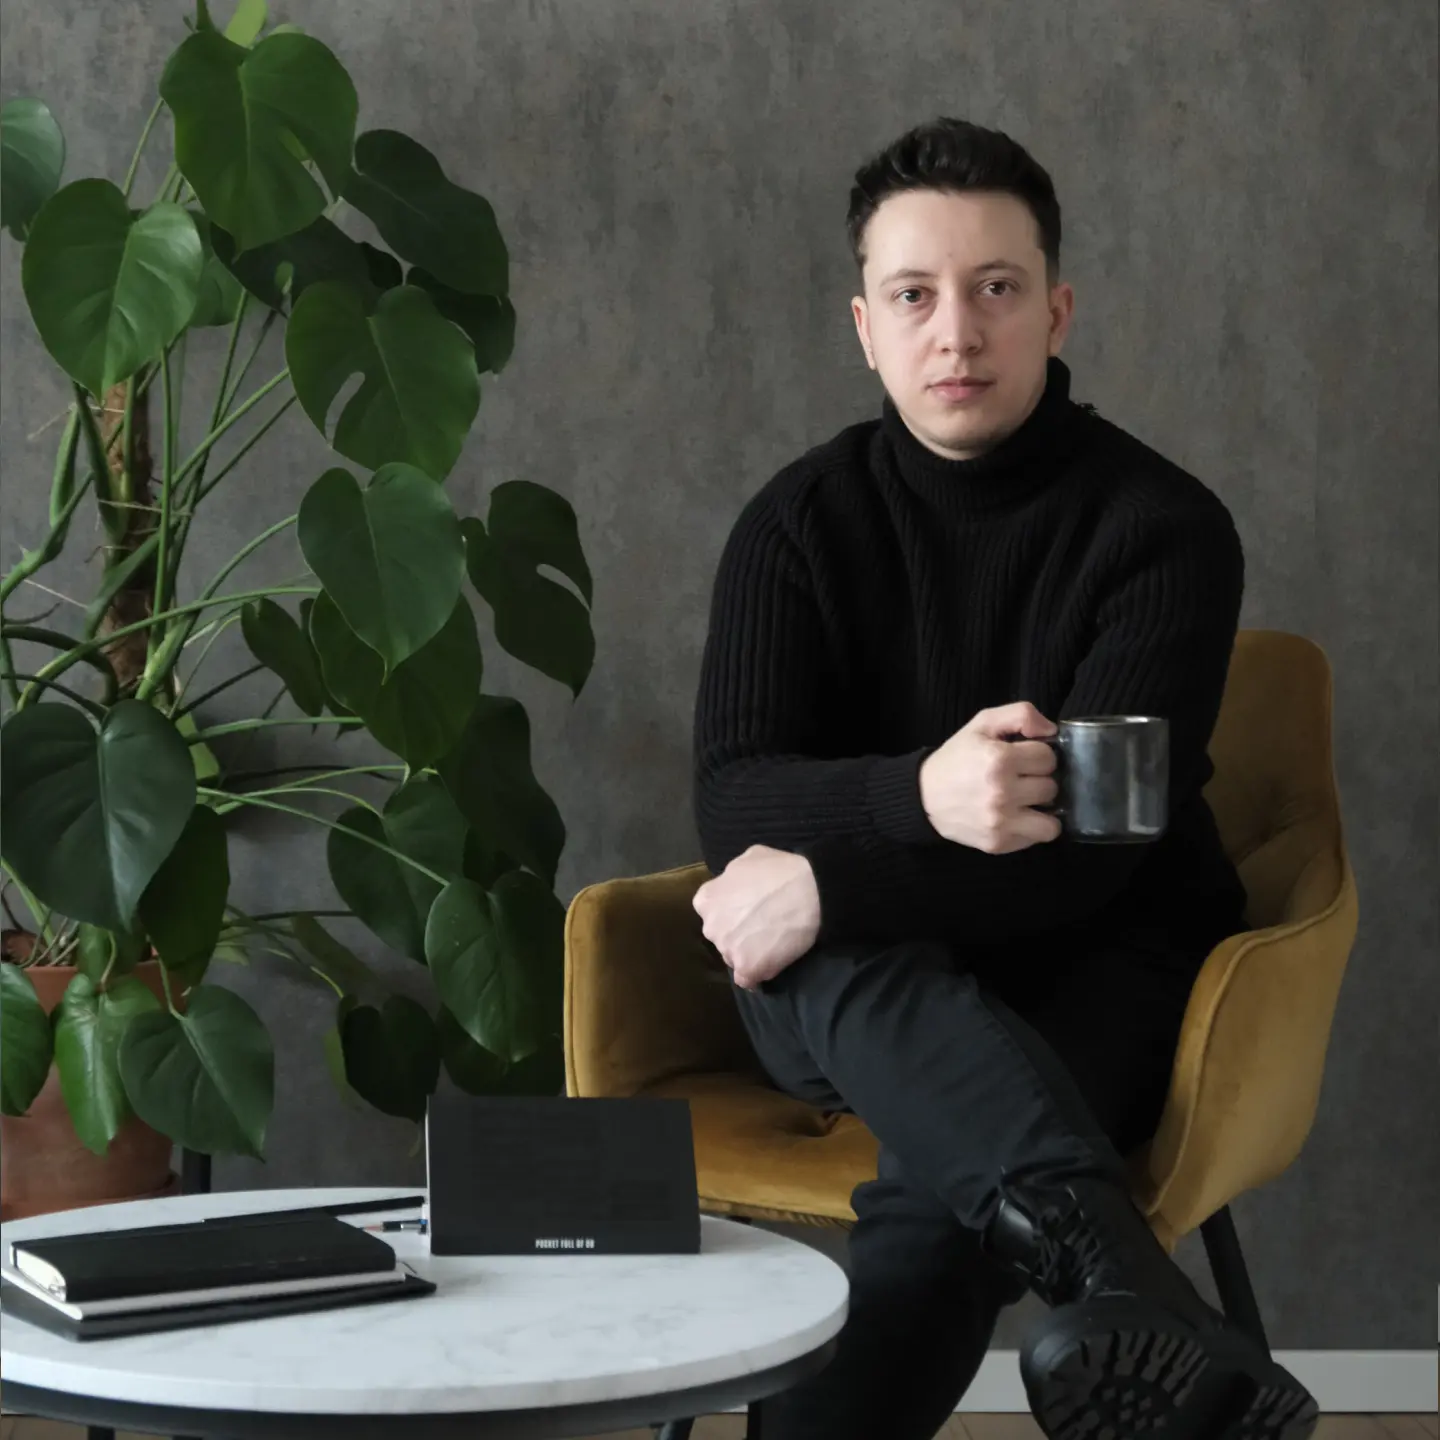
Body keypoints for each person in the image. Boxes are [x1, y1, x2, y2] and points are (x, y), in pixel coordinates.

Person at [690, 117, 1318, 1440]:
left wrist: (835, 874)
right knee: (841, 957)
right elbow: (735, 801)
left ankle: (1113, 1285)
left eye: (997, 289)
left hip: (1099, 955)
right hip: (843, 980)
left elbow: (1092, 856)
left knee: (936, 1186)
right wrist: (916, 800)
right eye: (915, 295)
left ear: (1057, 307)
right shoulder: (795, 528)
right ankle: (1123, 1278)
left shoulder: (1163, 530)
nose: (956, 333)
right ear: (865, 325)